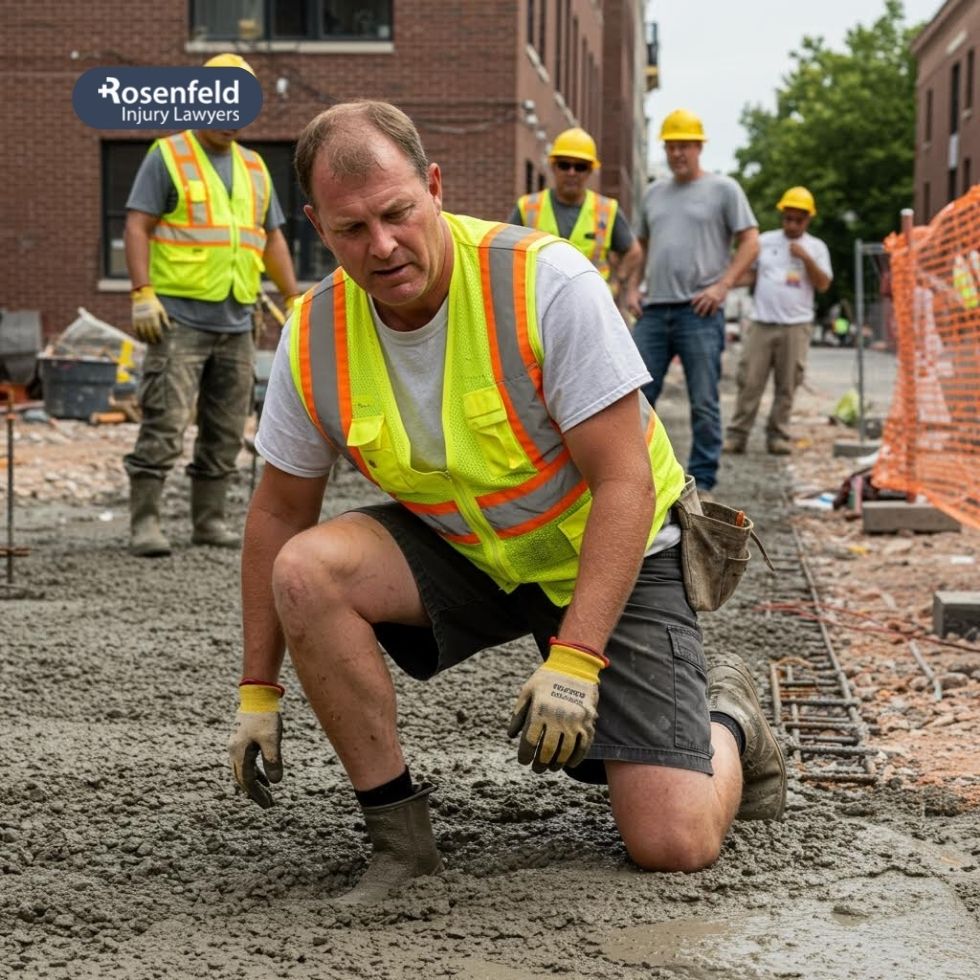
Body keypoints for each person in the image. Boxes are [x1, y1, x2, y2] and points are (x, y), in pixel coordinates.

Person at [227, 100, 786, 906]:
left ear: (434, 185)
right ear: (315, 224)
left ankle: (729, 713)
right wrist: (257, 691)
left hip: (611, 551)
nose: (381, 247)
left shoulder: (543, 281)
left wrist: (577, 659)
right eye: (352, 230)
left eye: (397, 213)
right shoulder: (314, 333)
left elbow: (623, 483)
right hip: (471, 550)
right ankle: (398, 844)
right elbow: (277, 513)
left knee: (671, 840)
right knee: (307, 569)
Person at [123, 53, 301, 558]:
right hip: (178, 318)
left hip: (238, 318)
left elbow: (272, 238)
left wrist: (291, 296)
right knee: (165, 421)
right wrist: (141, 293)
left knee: (226, 428)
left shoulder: (254, 167)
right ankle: (147, 522)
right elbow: (137, 224)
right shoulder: (168, 155)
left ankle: (209, 520)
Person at [625, 109, 759, 494]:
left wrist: (722, 287)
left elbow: (751, 241)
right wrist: (633, 287)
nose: (677, 153)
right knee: (635, 396)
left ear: (699, 147)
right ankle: (636, 470)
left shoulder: (724, 190)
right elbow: (643, 247)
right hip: (655, 310)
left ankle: (704, 479)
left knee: (703, 400)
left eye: (684, 145)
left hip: (699, 312)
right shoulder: (654, 193)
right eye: (670, 146)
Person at [724, 186, 832, 456]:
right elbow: (751, 275)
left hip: (796, 326)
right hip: (762, 323)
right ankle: (738, 436)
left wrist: (806, 259)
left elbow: (823, 284)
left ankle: (778, 436)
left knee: (787, 384)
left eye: (798, 219)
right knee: (749, 380)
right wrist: (726, 283)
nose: (792, 224)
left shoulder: (816, 247)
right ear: (782, 216)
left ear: (808, 219)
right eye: (788, 218)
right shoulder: (765, 242)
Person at [509, 127, 642, 301]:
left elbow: (634, 252)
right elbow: (507, 251)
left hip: (590, 302)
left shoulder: (606, 210)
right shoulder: (528, 207)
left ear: (589, 171)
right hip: (540, 301)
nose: (572, 172)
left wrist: (618, 282)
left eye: (580, 167)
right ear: (553, 166)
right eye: (564, 165)